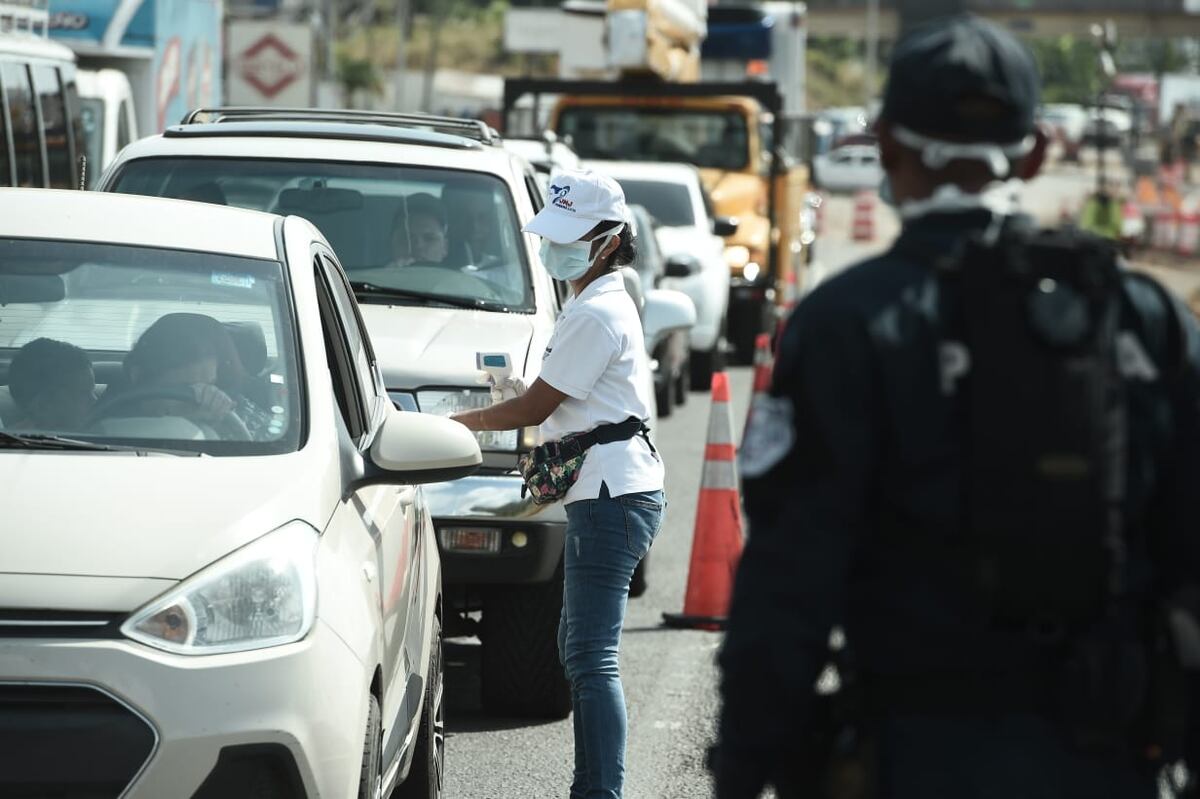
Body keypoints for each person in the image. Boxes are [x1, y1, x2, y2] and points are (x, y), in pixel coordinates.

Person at [714, 15, 1200, 799]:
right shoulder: (1144, 318)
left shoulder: (844, 324)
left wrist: (745, 768)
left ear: (887, 145)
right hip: (1105, 756)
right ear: (1036, 153)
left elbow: (788, 583)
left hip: (914, 754)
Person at [451, 168, 664, 799]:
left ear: (608, 242)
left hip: (610, 497)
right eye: (552, 235)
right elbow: (559, 402)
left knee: (591, 658)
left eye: (569, 238)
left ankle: (599, 792)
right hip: (612, 491)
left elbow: (535, 409)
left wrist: (453, 423)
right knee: (581, 651)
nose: (554, 248)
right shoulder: (596, 303)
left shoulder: (596, 311)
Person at [95, 313, 269, 440]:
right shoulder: (103, 432)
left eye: (210, 385)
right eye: (187, 388)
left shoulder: (234, 419)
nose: (202, 395)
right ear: (138, 376)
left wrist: (212, 427)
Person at [6, 338, 95, 431]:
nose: (94, 400)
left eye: (92, 391)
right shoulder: (12, 439)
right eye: (83, 393)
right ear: (43, 405)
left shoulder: (97, 429)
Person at [388, 193, 449, 268]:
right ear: (392, 244)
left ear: (445, 247)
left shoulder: (458, 276)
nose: (418, 246)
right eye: (407, 238)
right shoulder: (377, 274)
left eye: (429, 238)